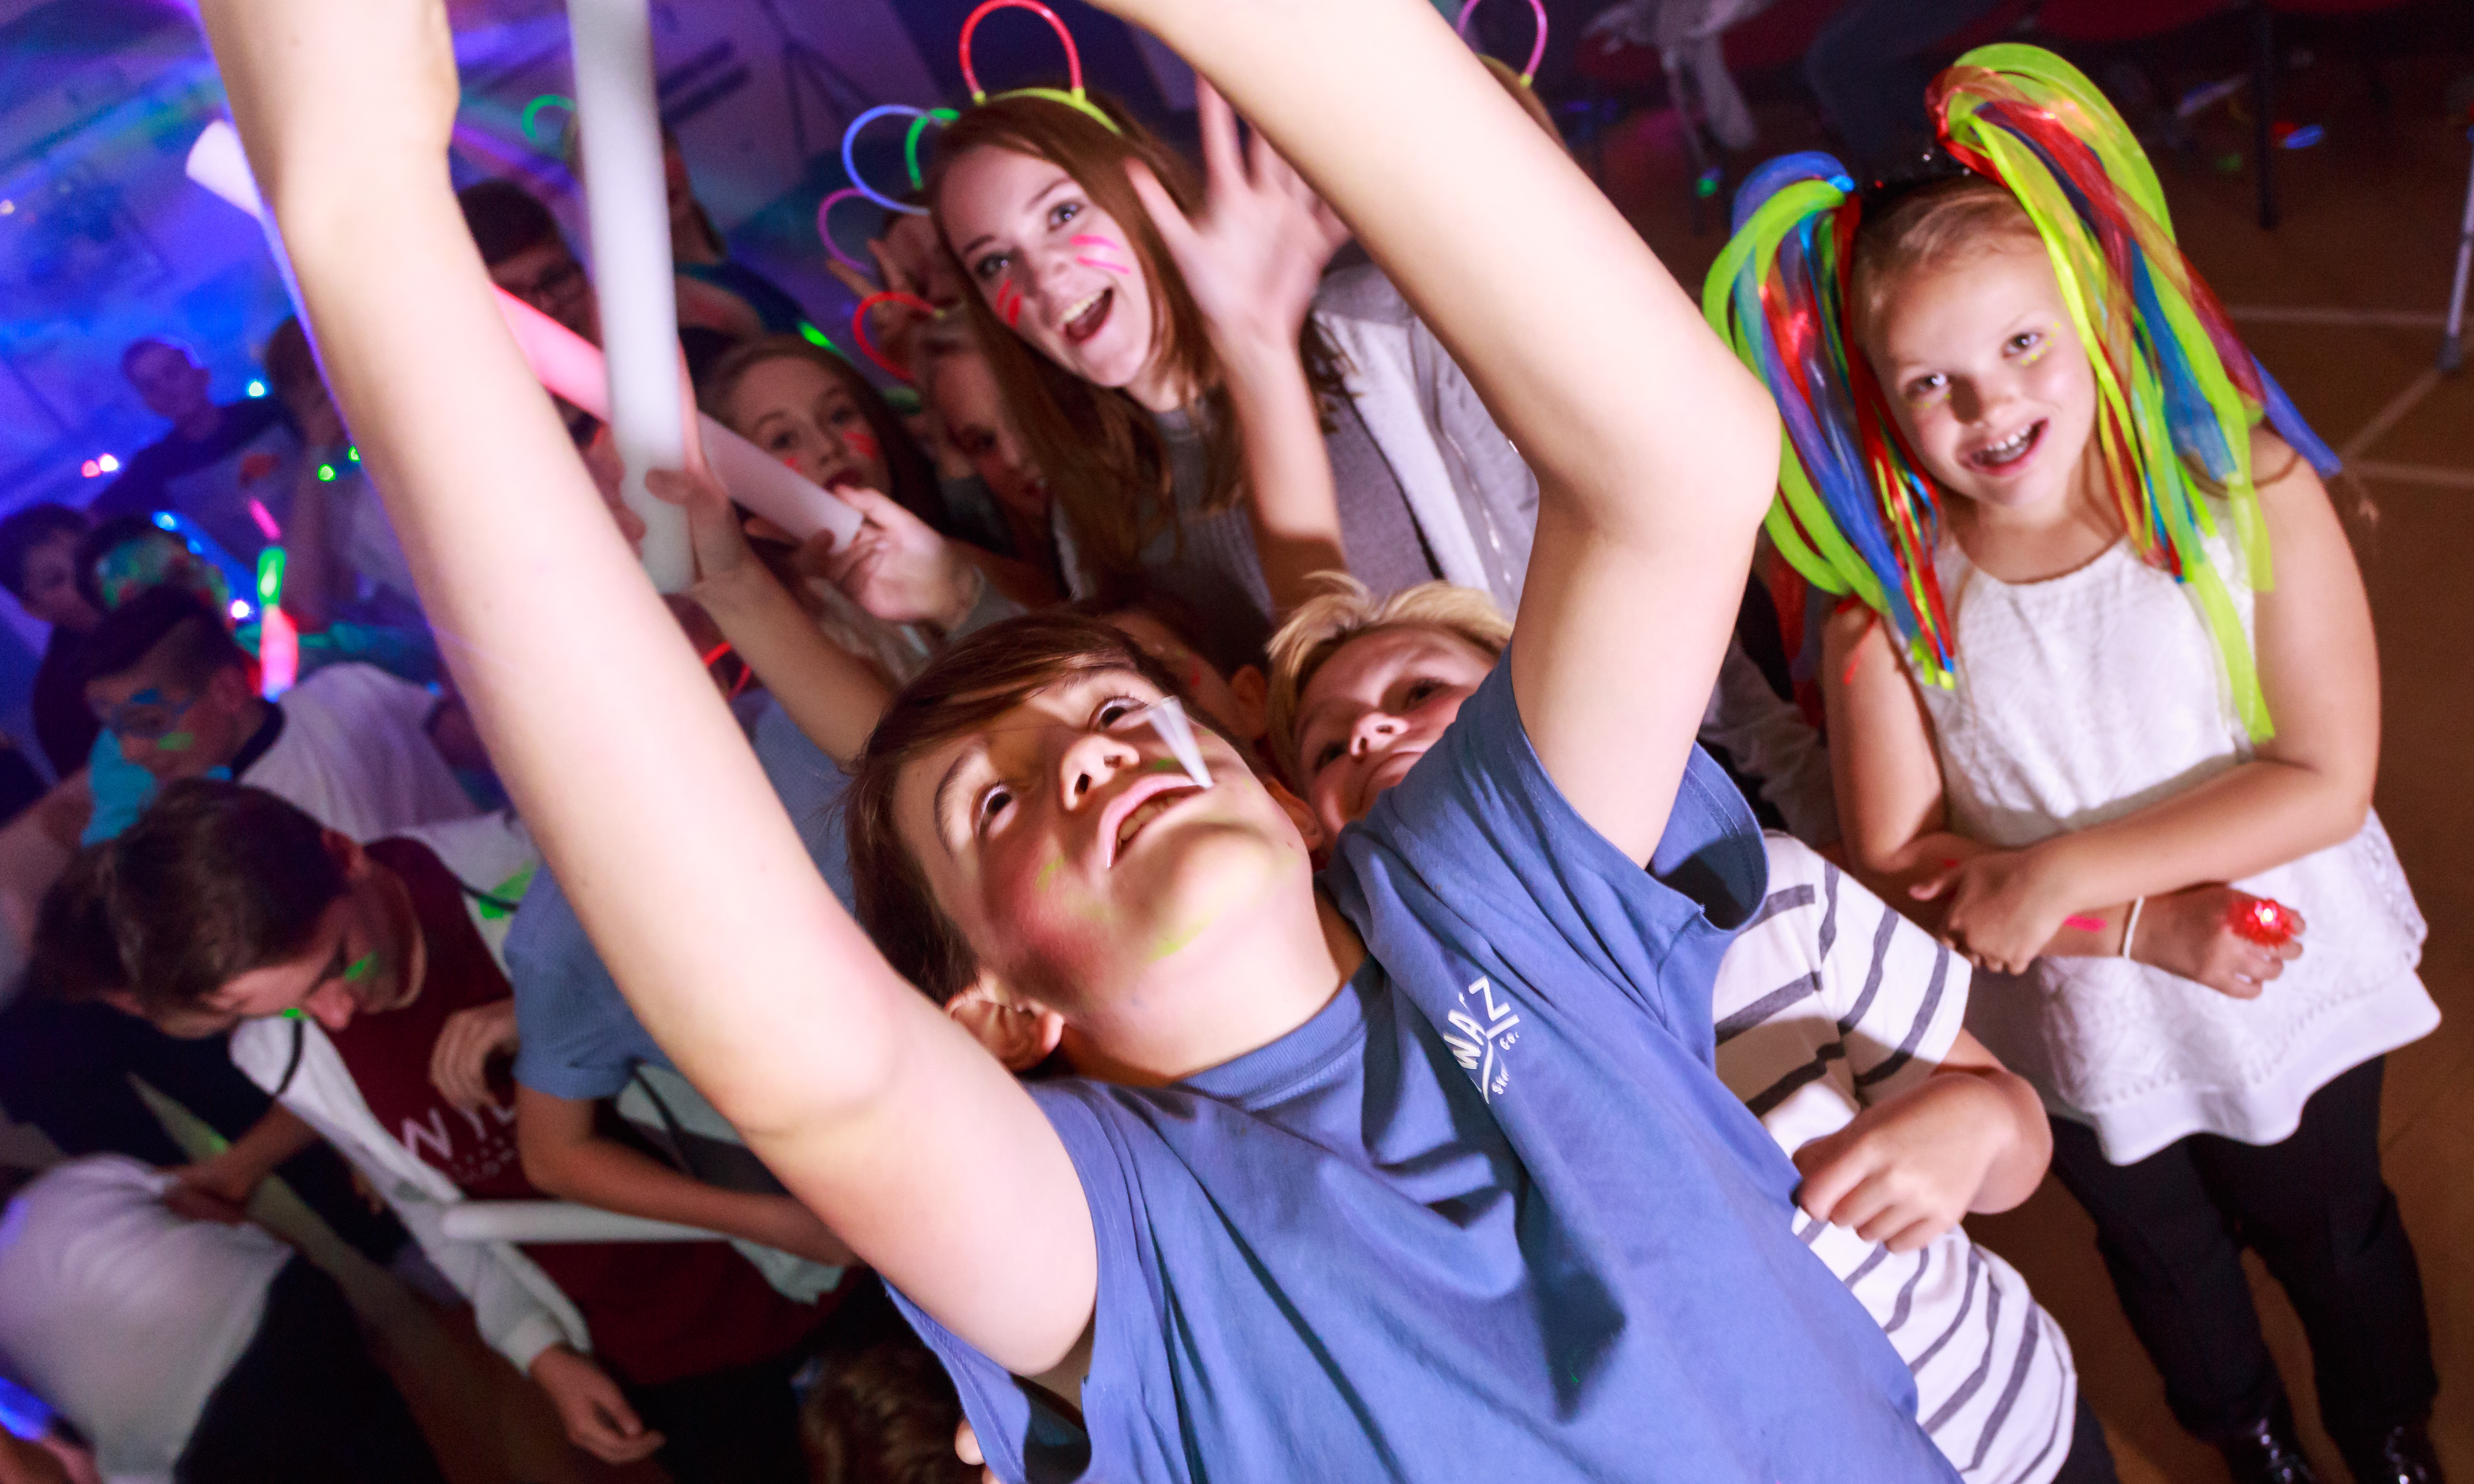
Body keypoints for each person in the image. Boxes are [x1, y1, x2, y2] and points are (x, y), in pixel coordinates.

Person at [200, 0, 1965, 1478]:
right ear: (995, 1004)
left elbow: (1677, 465)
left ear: (1284, 794)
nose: (1095, 747)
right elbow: (802, 1054)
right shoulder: (1127, 1231)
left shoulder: (1492, 904)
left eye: (1121, 705)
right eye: (996, 799)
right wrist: (357, 213)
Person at [1712, 48, 2441, 1484]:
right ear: (1881, 402)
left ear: (2096, 315)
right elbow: (1902, 865)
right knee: (2165, 1258)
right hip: (2077, 1019)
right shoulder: (1890, 605)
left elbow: (2325, 775)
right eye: (1935, 383)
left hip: (2281, 979)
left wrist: (2057, 872)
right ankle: (2255, 1445)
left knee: (2332, 1226)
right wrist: (2127, 922)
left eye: (2023, 347)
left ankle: (2388, 1433)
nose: (1988, 407)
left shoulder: (2240, 497)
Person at [1264, 578, 2119, 1484]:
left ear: (1532, 706)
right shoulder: (1433, 1056)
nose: (1364, 732)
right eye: (1325, 747)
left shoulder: (1771, 897)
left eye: (1415, 692)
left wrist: (1980, 1124)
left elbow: (2013, 1129)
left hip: (2010, 1424)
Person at [91, 781, 836, 1481]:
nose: (337, 1014)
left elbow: (758, 971)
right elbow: (440, 1214)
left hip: (808, 1240)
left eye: (338, 965)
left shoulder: (520, 864)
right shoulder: (281, 1055)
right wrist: (539, 1350)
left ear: (343, 855)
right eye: (288, 1007)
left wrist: (557, 1009)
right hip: (655, 1349)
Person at [926, 76, 1535, 673]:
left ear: (1143, 192)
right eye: (995, 261)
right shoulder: (1083, 512)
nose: (1040, 275)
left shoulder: (1387, 333)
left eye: (1063, 212)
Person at [0, 1154, 446, 1484]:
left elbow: (49, 1439)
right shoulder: (77, 1177)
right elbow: (232, 1221)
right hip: (287, 1310)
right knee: (369, 1424)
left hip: (200, 1439)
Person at [77, 586, 476, 845]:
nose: (130, 751)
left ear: (228, 691)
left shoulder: (254, 832)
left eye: (150, 723)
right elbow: (476, 744)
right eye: (117, 730)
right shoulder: (347, 682)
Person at [91, 339, 304, 571]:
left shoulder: (270, 414)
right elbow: (94, 518)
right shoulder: (158, 468)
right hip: (277, 592)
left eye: (172, 373)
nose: (167, 389)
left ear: (200, 373)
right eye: (151, 386)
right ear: (148, 402)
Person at [0, 506, 104, 780]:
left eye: (87, 556)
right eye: (57, 579)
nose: (88, 577)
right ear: (35, 606)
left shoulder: (176, 599)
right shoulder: (58, 701)